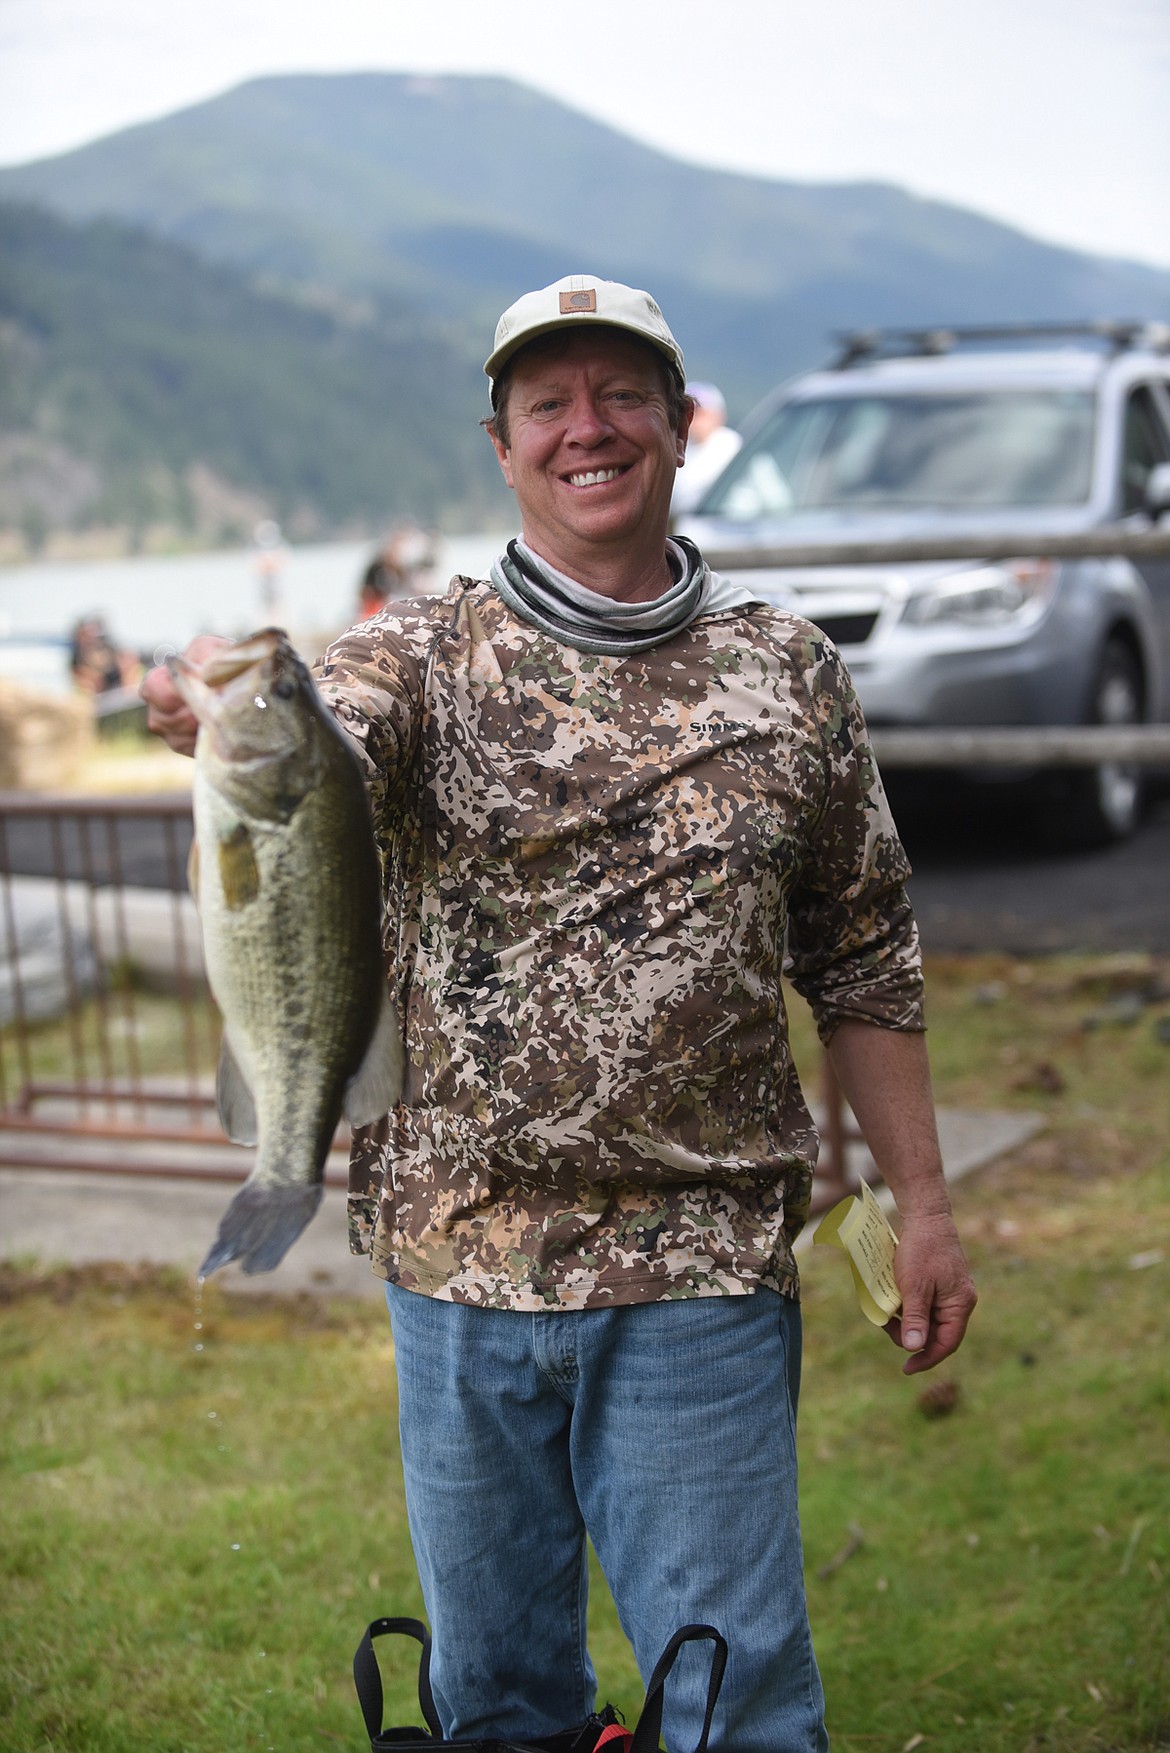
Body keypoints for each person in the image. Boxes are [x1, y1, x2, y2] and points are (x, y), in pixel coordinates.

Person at [142, 274, 976, 1753]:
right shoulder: (421, 652)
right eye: (547, 404)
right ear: (502, 443)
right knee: (499, 1706)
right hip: (457, 1271)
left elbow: (862, 955)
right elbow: (324, 727)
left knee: (731, 1702)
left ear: (673, 421)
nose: (585, 428)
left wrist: (920, 1203)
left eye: (618, 396)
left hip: (700, 1272)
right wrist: (221, 712)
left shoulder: (788, 672)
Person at [670, 380, 742, 515]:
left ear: (718, 416)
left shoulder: (732, 447)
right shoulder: (680, 446)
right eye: (690, 413)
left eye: (701, 414)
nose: (694, 420)